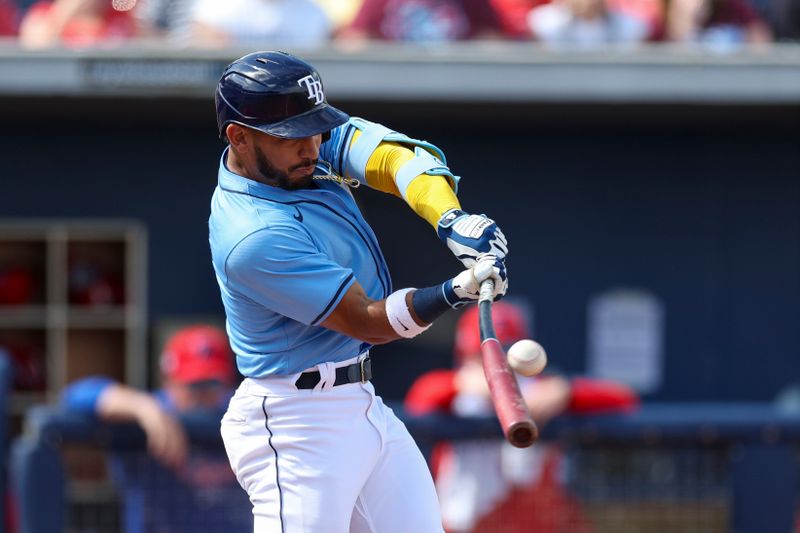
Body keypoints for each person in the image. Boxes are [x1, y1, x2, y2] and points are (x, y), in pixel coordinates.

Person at [210, 50, 509, 532]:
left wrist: (450, 220)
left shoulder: (293, 151)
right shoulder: (252, 236)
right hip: (294, 423)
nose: (311, 146)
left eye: (314, 129)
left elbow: (397, 159)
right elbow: (367, 318)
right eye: (292, 137)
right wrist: (455, 291)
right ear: (239, 138)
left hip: (361, 402)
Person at [405, 301, 639, 532]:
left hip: (536, 522)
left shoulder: (539, 392)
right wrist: (460, 384)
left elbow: (625, 400)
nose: (496, 365)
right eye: (482, 357)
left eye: (503, 355)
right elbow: (418, 402)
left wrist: (567, 391)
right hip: (467, 524)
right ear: (465, 357)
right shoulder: (452, 394)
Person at [61, 325, 251, 532]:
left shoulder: (240, 412)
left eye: (211, 384)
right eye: (193, 386)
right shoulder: (154, 409)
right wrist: (142, 407)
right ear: (168, 382)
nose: (202, 395)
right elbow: (74, 396)